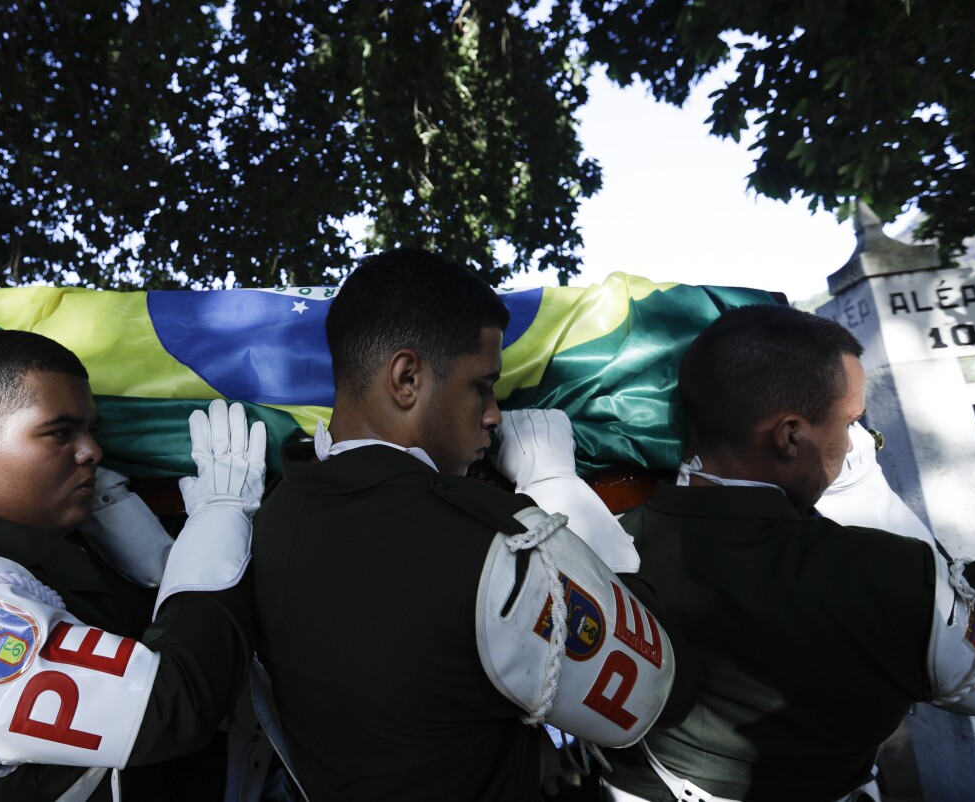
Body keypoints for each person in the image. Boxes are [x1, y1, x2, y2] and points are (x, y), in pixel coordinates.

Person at [251, 249, 680, 801]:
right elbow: (655, 686)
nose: (494, 414)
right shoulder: (490, 546)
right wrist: (556, 484)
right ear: (406, 379)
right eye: (482, 385)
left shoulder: (273, 514)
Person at [602, 304, 975, 802]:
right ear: (790, 436)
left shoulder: (607, 546)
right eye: (850, 422)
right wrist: (875, 504)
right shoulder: (893, 571)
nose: (854, 444)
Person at [0, 329, 262, 801]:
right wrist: (220, 519)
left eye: (91, 430)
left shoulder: (45, 548)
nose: (92, 451)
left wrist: (151, 559)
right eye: (59, 433)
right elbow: (169, 706)